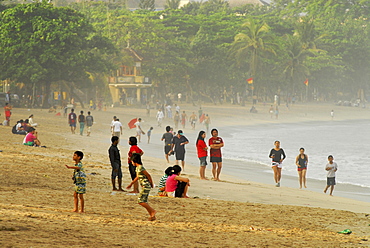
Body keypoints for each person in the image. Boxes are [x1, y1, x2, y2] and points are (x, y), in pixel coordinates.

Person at [126, 153, 156, 221]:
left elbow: (148, 175)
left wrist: (151, 183)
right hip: (144, 186)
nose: (131, 163)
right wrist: (131, 183)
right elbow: (137, 177)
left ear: (134, 160)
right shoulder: (137, 168)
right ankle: (152, 215)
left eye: (132, 161)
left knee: (140, 201)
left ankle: (152, 211)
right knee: (144, 201)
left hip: (146, 186)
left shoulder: (141, 167)